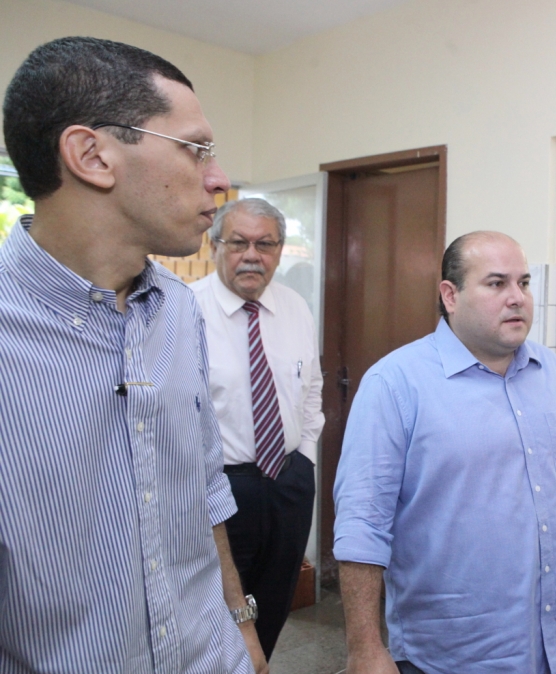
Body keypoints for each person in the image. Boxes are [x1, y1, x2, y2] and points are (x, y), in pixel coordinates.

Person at [0, 37, 266, 672]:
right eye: (195, 148)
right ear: (92, 156)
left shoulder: (178, 309)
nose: (218, 178)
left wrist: (242, 627)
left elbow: (205, 491)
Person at [333, 231, 556, 674]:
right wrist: (364, 647)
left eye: (523, 283)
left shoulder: (550, 371)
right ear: (451, 295)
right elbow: (363, 523)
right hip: (453, 656)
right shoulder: (395, 384)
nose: (517, 297)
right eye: (497, 283)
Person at [191, 197, 324, 659]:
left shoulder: (295, 307)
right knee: (216, 613)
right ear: (214, 246)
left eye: (265, 244)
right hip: (218, 489)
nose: (252, 255)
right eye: (239, 243)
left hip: (288, 482)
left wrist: (305, 457)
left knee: (273, 602)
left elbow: (312, 389)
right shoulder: (184, 310)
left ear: (280, 250)